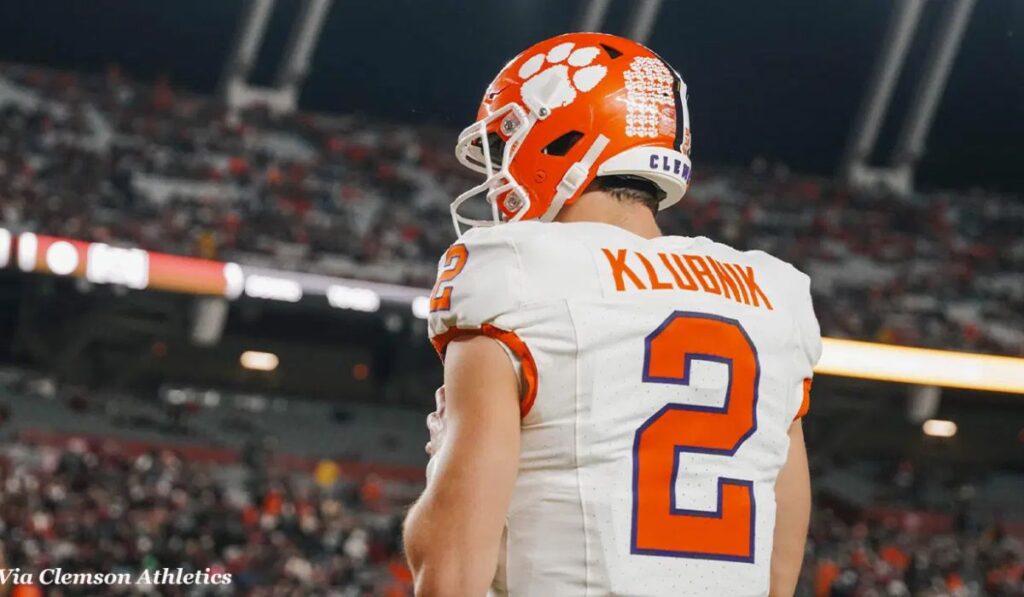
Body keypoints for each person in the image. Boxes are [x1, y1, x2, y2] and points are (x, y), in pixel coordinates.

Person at [403, 32, 821, 597]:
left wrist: (439, 481)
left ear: (559, 138)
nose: (498, 176)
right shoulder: (774, 295)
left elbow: (449, 575)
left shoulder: (519, 272)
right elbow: (777, 576)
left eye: (507, 148)